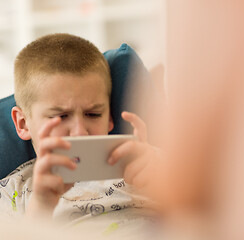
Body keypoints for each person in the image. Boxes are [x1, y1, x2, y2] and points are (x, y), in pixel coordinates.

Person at [0, 33, 159, 236]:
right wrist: (41, 205)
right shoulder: (13, 192)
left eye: (93, 114)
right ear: (23, 124)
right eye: (61, 116)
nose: (80, 132)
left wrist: (162, 180)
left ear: (110, 117)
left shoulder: (144, 163)